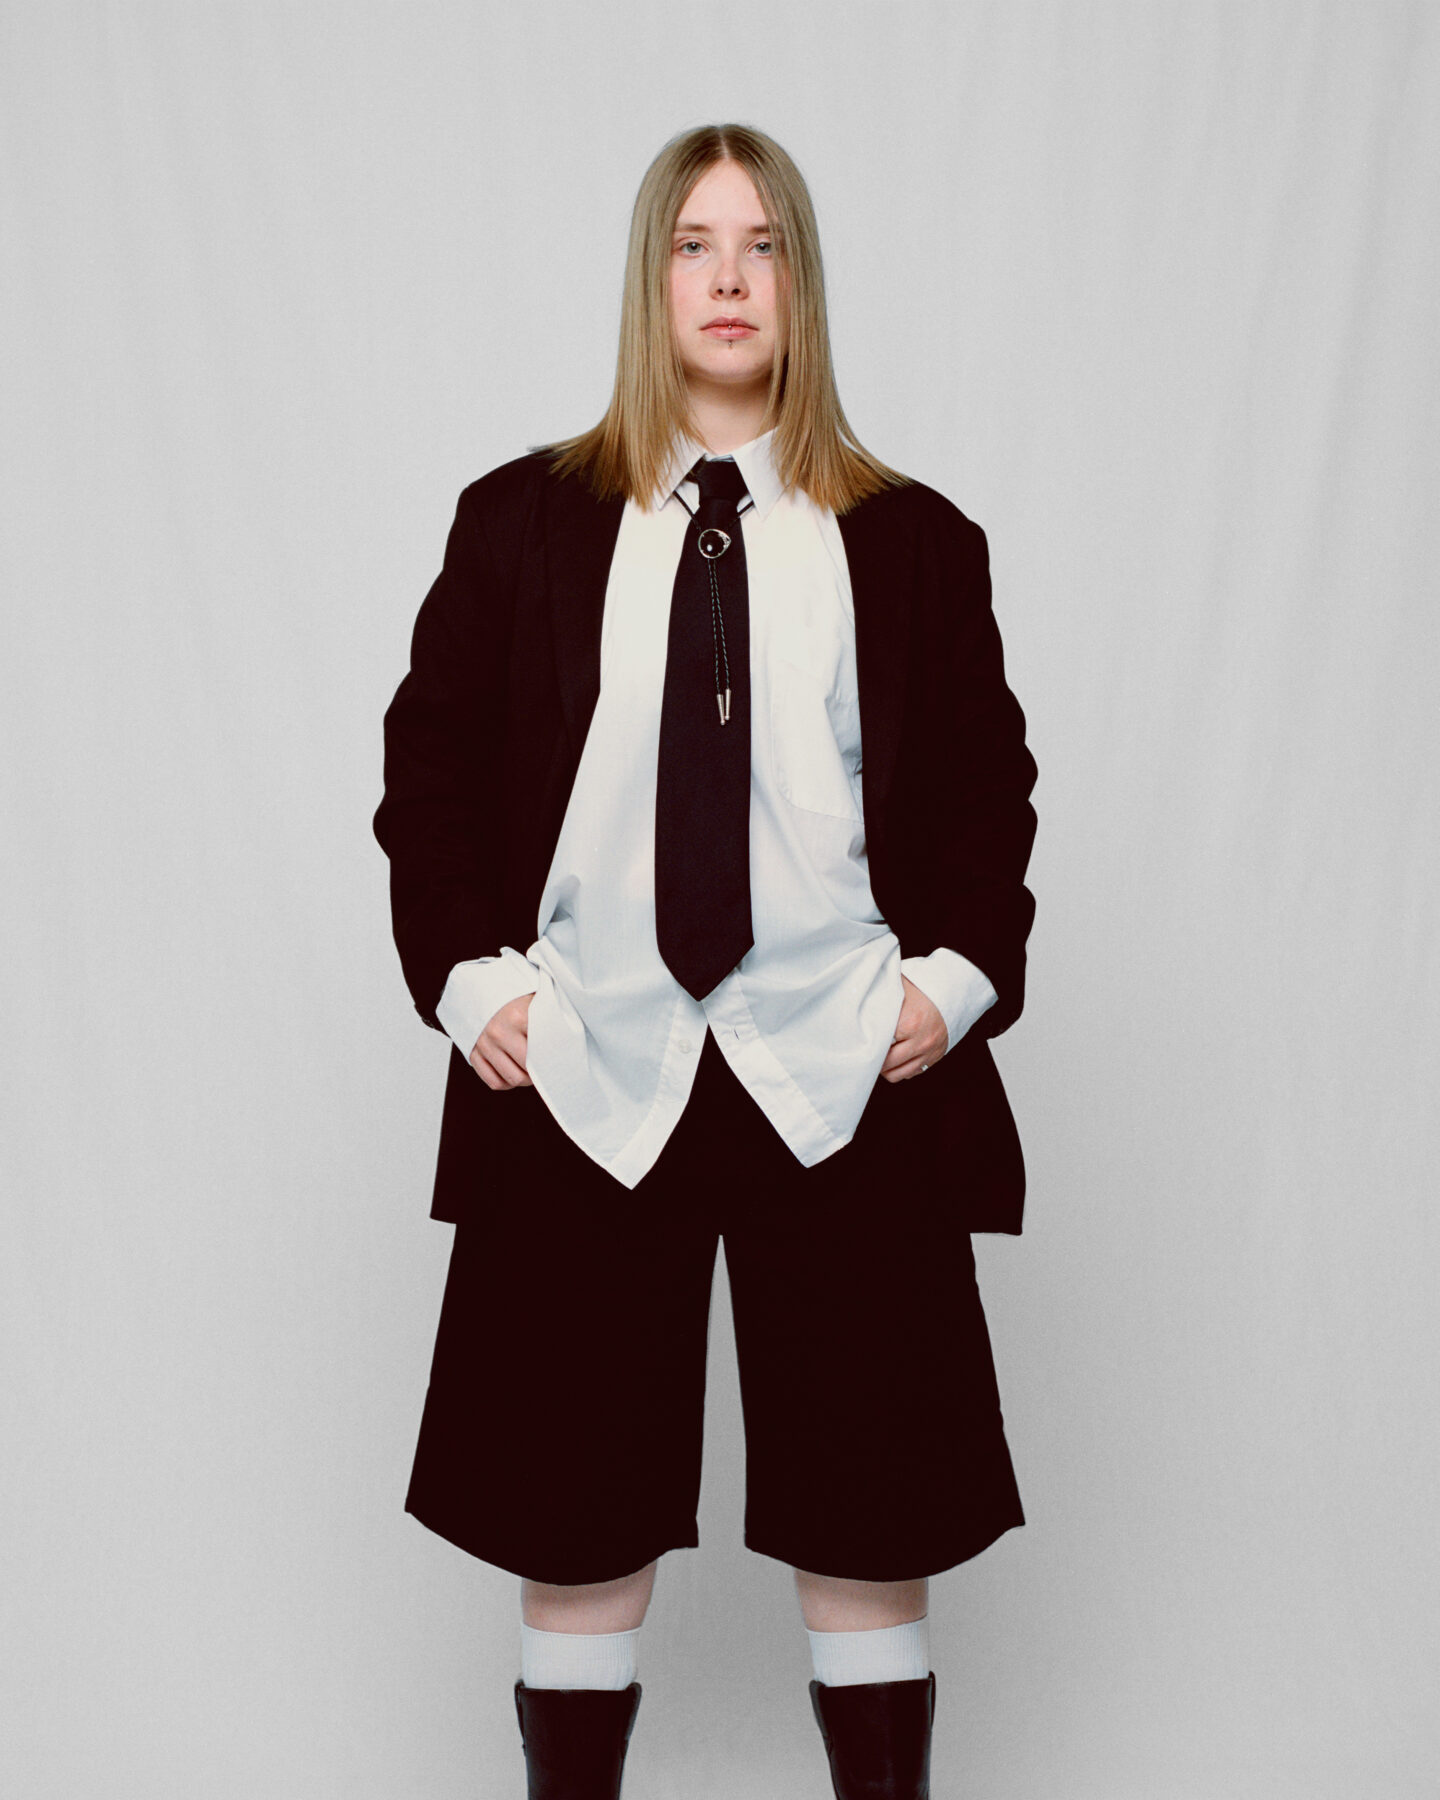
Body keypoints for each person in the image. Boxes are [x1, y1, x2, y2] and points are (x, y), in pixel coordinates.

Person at [373, 121, 1038, 1800]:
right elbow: (427, 771)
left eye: (762, 245)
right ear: (650, 280)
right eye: (693, 245)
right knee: (571, 1520)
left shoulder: (914, 541)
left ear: (801, 283)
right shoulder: (521, 523)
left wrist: (951, 984)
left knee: (875, 1518)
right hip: (591, 1064)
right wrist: (472, 983)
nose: (728, 279)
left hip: (843, 1063)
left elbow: (990, 791)